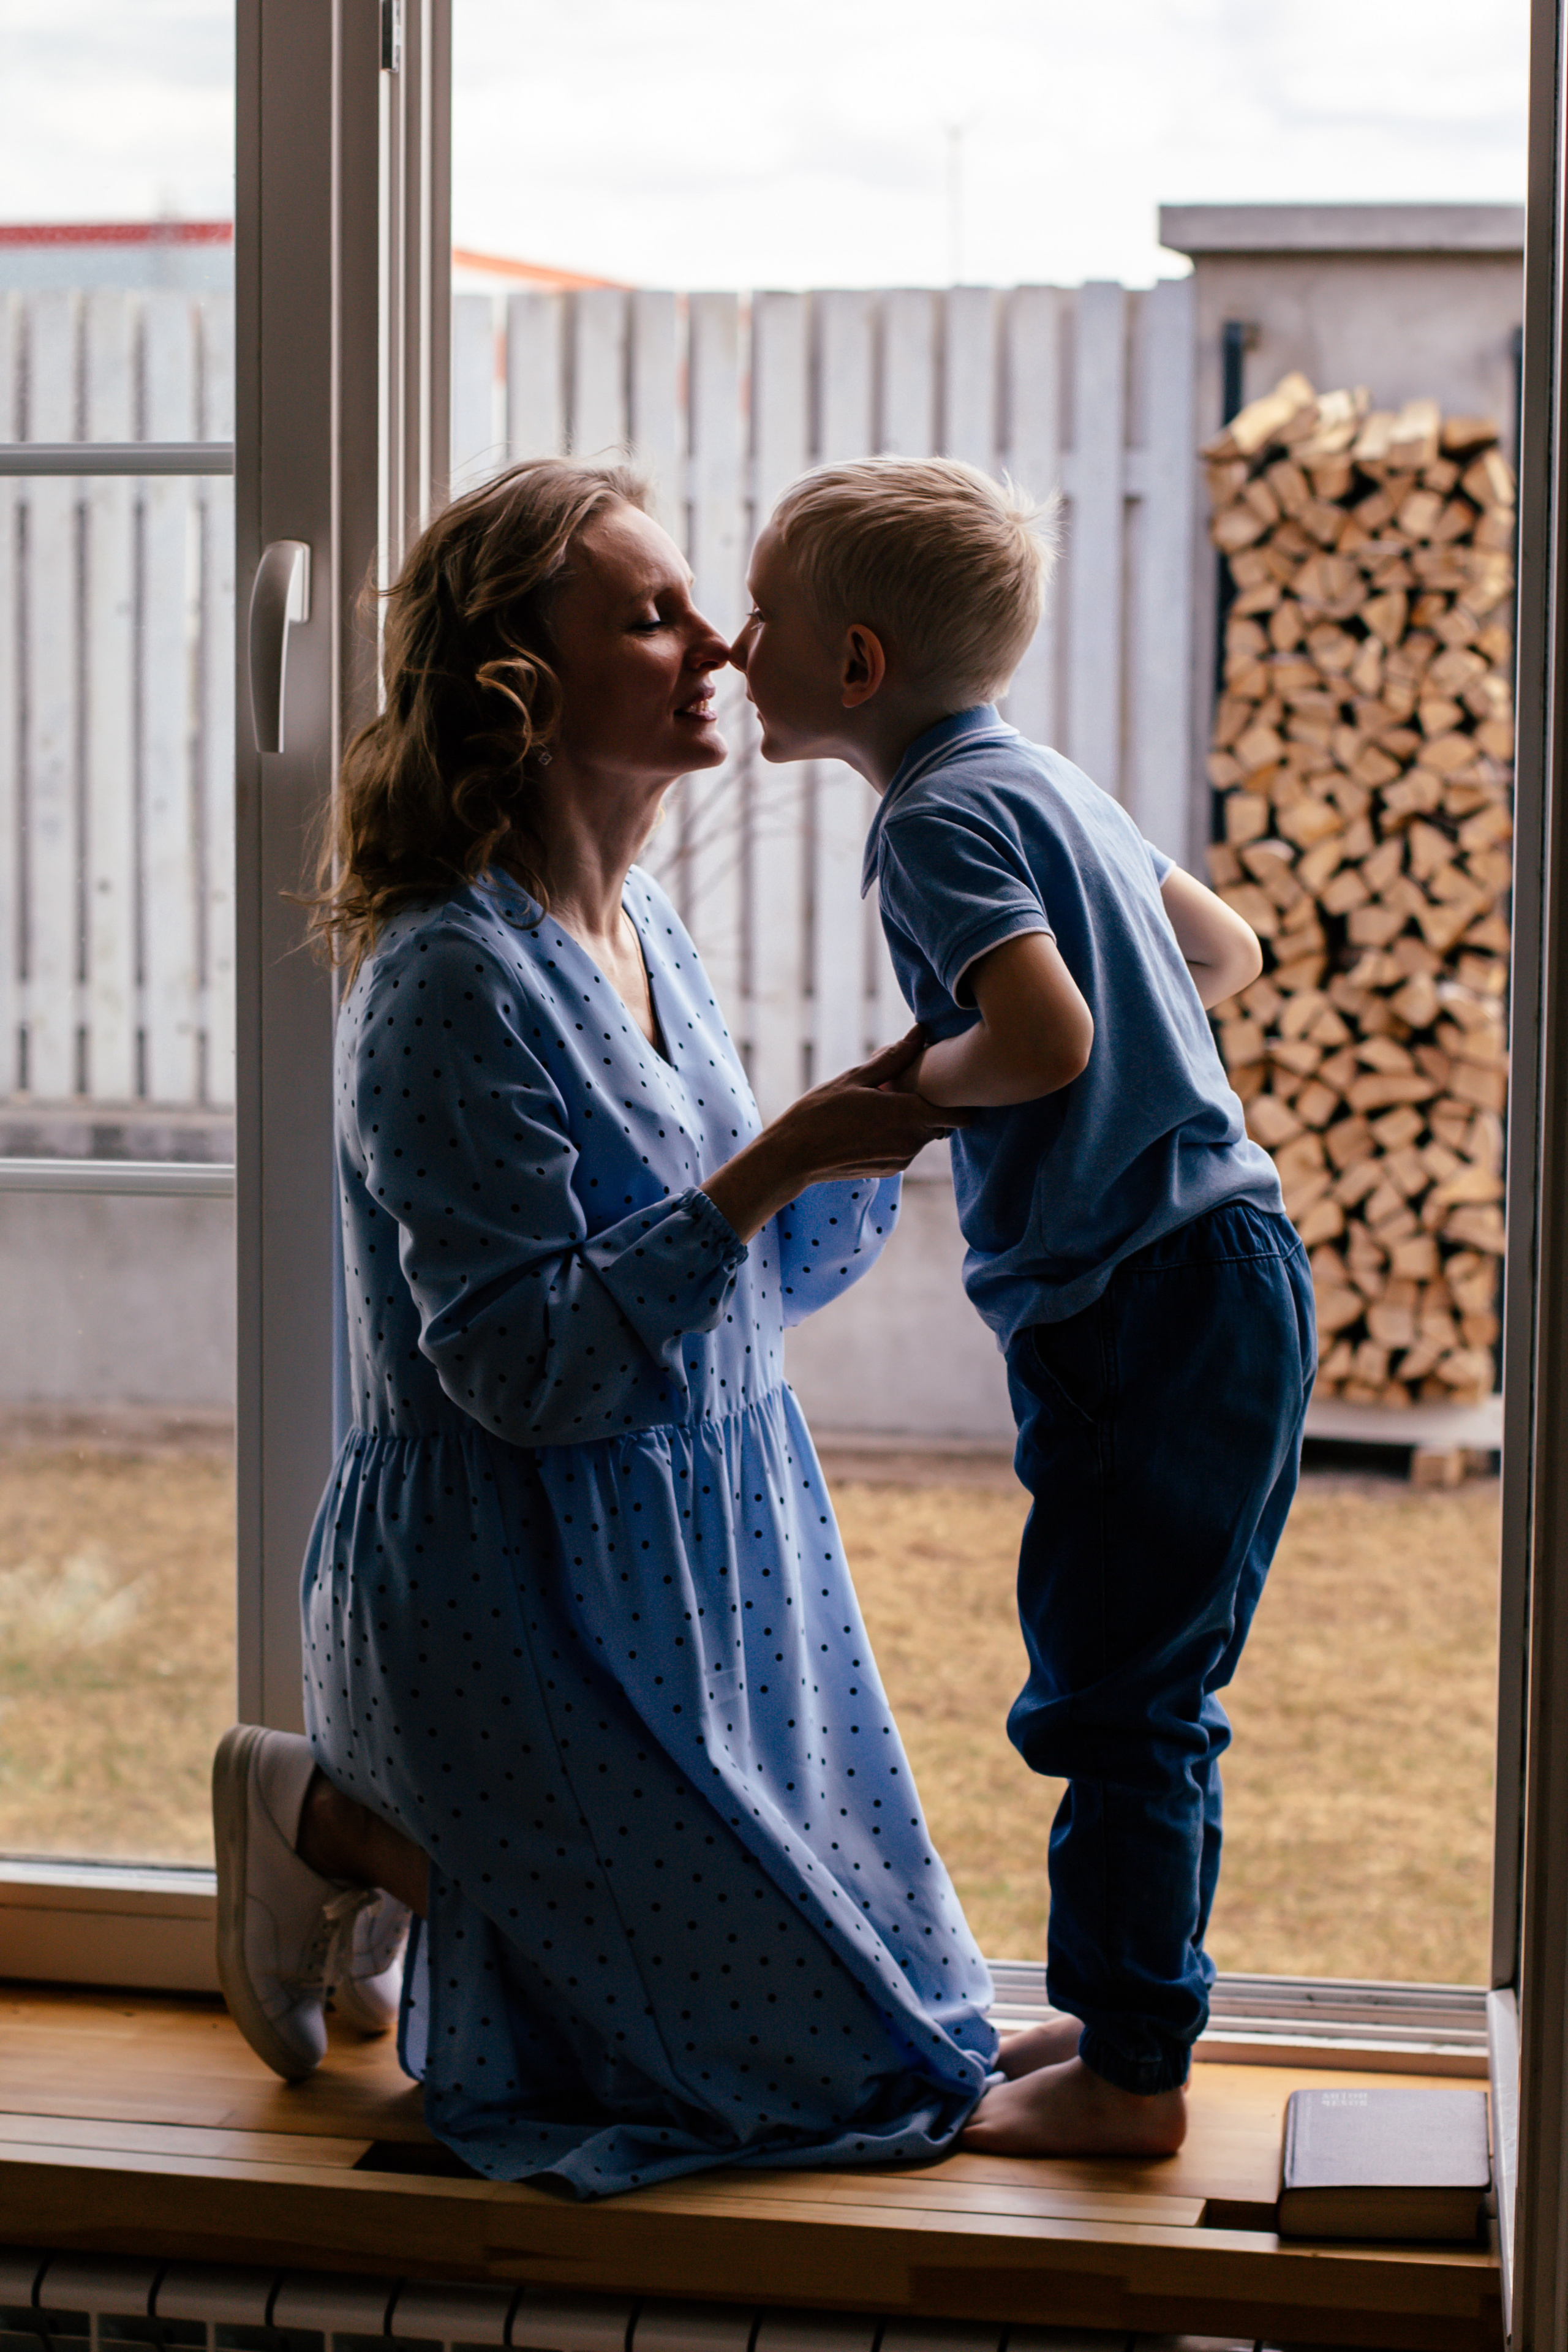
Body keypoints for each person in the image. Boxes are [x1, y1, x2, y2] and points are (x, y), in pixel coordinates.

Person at [210, 456, 1000, 2195]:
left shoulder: (643, 924)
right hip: (512, 1596)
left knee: (919, 2024)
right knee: (806, 2079)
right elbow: (524, 1372)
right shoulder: (447, 981)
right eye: (652, 616)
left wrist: (864, 1128)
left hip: (714, 1575)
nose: (717, 642)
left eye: (699, 604)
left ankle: (439, 1871)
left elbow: (747, 1295)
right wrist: (773, 1160)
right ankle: (325, 1811)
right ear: (520, 681)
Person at [730, 455, 1316, 2160]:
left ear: (854, 665)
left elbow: (1045, 1041)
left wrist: (908, 1086)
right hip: (1232, 1265)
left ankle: (1131, 2084)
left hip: (1134, 1300)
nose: (737, 645)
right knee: (1152, 1682)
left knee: (1116, 1698)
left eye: (762, 617)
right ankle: (1126, 2008)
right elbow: (1228, 952)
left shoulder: (929, 819)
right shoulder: (1044, 777)